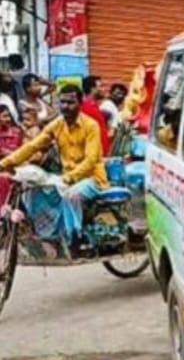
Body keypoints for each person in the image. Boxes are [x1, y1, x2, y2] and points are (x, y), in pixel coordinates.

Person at [0, 85, 109, 252]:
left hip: (91, 179)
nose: (65, 106)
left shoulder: (91, 125)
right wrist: (5, 163)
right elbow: (32, 146)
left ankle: (75, 239)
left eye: (70, 102)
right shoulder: (57, 125)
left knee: (71, 195)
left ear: (80, 103)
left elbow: (91, 160)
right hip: (65, 177)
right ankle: (47, 233)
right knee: (34, 190)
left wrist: (70, 177)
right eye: (62, 102)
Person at [81, 75, 112, 155]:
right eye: (100, 86)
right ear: (92, 89)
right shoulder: (86, 107)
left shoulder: (94, 106)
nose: (103, 89)